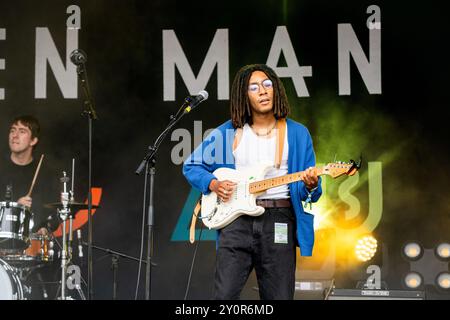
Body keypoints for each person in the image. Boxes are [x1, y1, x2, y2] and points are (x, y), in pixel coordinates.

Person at [183, 64, 322, 300]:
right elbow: (191, 166)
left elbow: (314, 193)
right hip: (236, 223)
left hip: (279, 219)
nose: (263, 91)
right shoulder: (228, 132)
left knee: (279, 296)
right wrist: (214, 184)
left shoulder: (297, 133)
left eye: (268, 84)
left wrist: (311, 185)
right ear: (243, 95)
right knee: (223, 297)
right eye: (254, 87)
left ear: (276, 90)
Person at [0, 115, 60, 299]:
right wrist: (13, 206)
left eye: (22, 131)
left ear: (33, 140)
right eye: (12, 130)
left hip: (31, 254)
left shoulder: (46, 174)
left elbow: (54, 214)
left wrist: (45, 228)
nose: (14, 135)